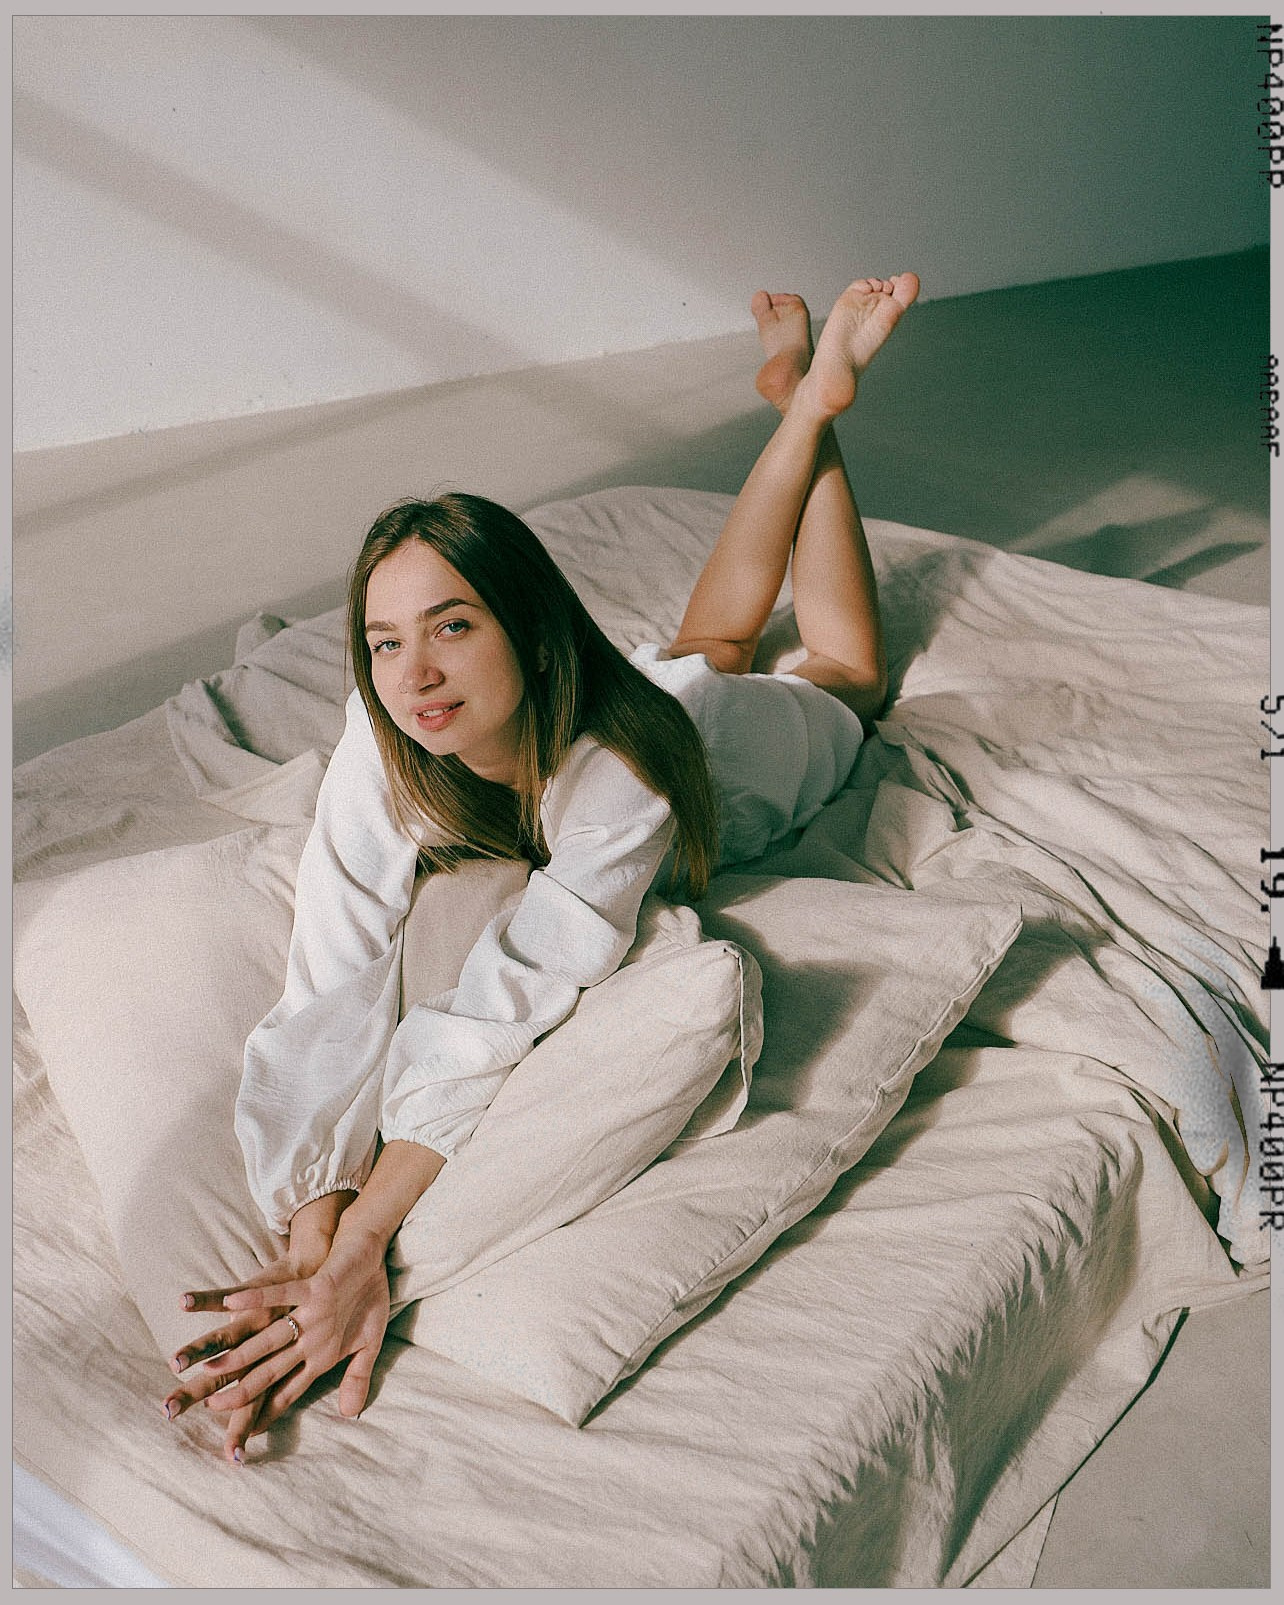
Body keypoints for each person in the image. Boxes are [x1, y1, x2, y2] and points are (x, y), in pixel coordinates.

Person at [162, 271, 919, 1462]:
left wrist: (371, 1239)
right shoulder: (388, 717)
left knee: (835, 669)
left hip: (730, 744)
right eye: (386, 640)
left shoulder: (625, 773)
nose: (415, 674)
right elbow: (334, 958)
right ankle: (795, 392)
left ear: (529, 625)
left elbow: (509, 998)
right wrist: (315, 1212)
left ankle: (815, 407)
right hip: (640, 686)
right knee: (705, 640)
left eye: (454, 625)